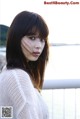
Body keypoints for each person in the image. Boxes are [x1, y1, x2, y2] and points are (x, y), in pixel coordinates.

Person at [0, 11, 49, 119]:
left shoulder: (7, 72)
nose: (39, 46)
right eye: (32, 38)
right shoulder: (18, 78)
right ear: (16, 38)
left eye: (42, 40)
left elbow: (6, 113)